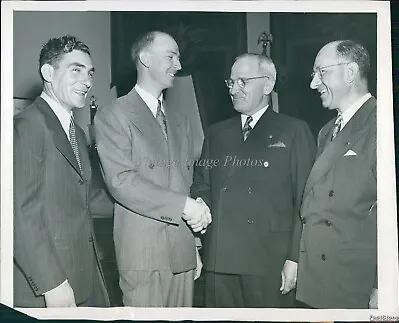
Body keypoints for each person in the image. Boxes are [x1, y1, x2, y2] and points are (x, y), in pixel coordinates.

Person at [94, 31, 211, 307]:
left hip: (182, 254)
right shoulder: (114, 114)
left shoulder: (180, 120)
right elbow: (122, 181)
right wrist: (185, 206)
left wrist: (193, 245)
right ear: (145, 59)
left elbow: (186, 182)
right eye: (171, 56)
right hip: (142, 257)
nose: (179, 66)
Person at [191, 53, 316, 308]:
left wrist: (295, 258)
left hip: (269, 259)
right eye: (231, 82)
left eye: (243, 82)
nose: (234, 90)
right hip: (221, 256)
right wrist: (200, 216)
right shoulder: (216, 133)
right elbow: (201, 183)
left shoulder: (294, 130)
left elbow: (306, 199)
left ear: (268, 85)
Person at [14, 35, 109, 307]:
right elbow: (20, 213)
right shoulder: (28, 126)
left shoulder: (77, 133)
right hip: (51, 285)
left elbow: (86, 200)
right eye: (76, 70)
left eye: (90, 73)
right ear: (48, 72)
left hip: (84, 278)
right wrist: (51, 283)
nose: (88, 81)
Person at [296, 40, 377, 309]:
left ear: (350, 73)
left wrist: (383, 284)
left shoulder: (380, 123)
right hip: (320, 276)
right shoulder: (326, 130)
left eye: (322, 72)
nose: (313, 84)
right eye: (313, 74)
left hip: (354, 282)